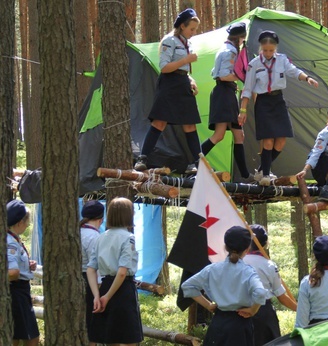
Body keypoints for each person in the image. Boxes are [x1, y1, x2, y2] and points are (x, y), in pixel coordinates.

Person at [239, 30, 319, 186]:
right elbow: (247, 89)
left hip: (278, 100)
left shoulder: (282, 60)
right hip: (263, 102)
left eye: (271, 50)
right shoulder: (253, 65)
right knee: (268, 140)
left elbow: (294, 71)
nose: (268, 53)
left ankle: (262, 169)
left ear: (275, 48)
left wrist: (307, 78)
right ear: (260, 48)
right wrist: (243, 110)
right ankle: (266, 176)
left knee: (281, 141)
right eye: (265, 50)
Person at [134, 8, 201, 174]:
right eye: (191, 29)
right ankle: (142, 159)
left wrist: (191, 80)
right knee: (160, 122)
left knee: (190, 125)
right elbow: (164, 67)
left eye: (195, 29)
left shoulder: (188, 43)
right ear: (182, 26)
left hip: (183, 83)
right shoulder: (169, 41)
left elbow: (183, 68)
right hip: (169, 84)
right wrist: (186, 59)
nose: (193, 32)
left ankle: (199, 163)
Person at [181, 226, 267, 345]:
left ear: (225, 247)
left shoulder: (212, 269)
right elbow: (261, 293)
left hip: (218, 322)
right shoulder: (248, 272)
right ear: (247, 249)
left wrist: (209, 305)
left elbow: (188, 286)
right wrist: (253, 310)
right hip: (240, 325)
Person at [201, 22, 254, 183]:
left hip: (228, 93)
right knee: (219, 135)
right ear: (239, 38)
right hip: (223, 94)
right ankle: (192, 160)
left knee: (239, 135)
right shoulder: (229, 52)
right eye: (242, 38)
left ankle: (245, 176)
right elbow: (222, 75)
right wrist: (244, 76)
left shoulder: (225, 49)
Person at [87, 197, 143, 345]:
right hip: (123, 289)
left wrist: (97, 295)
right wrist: (107, 297)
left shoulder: (100, 237)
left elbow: (91, 268)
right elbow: (122, 272)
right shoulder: (129, 237)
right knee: (130, 338)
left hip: (105, 285)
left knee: (110, 337)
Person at [243, 224, 297, 345]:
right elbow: (282, 297)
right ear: (265, 243)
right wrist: (299, 309)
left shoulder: (236, 262)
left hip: (239, 311)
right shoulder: (268, 265)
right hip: (263, 314)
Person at [7, 200, 39, 346]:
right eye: (27, 222)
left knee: (22, 334)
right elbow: (13, 272)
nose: (27, 225)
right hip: (17, 292)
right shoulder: (11, 242)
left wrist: (27, 265)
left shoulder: (14, 239)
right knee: (28, 336)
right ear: (20, 222)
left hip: (21, 291)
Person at [80, 200, 104, 346]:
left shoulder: (76, 231)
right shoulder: (94, 237)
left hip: (75, 278)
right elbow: (96, 266)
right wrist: (98, 290)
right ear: (101, 219)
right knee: (91, 325)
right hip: (90, 281)